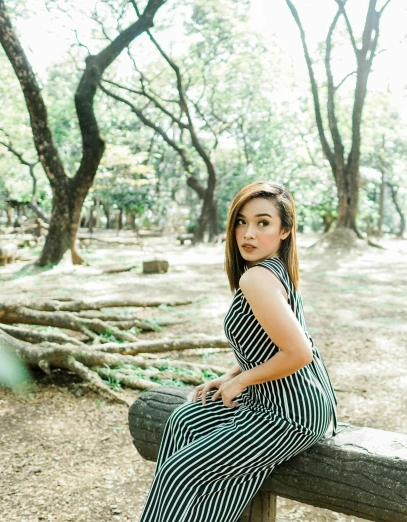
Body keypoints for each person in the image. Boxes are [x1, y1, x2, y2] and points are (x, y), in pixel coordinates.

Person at [138, 181, 338, 522]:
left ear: (285, 230)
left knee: (179, 472)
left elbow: (299, 352)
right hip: (275, 400)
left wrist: (243, 380)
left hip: (289, 413)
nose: (248, 233)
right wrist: (231, 374)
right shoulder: (272, 272)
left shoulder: (257, 278)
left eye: (263, 223)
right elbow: (266, 344)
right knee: (183, 420)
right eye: (241, 222)